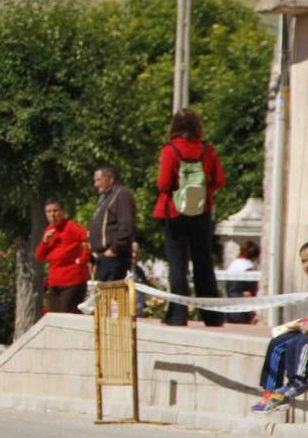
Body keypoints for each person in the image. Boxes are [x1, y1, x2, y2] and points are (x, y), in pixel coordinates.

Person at [154, 108, 227, 327]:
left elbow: (163, 183)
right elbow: (220, 180)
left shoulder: (170, 150)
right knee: (204, 264)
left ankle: (177, 314)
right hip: (201, 211)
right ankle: (212, 315)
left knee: (177, 265)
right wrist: (204, 190)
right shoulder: (207, 150)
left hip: (174, 212)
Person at [252, 242, 308, 412]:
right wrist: (303, 323)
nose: (307, 266)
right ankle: (270, 393)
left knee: (298, 344)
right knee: (277, 343)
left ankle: (295, 383)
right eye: (303, 261)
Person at [34, 198, 91, 314]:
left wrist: (83, 259)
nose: (52, 215)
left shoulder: (71, 226)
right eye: (48, 212)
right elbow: (39, 257)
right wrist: (44, 242)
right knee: (56, 317)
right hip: (55, 282)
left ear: (63, 212)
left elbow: (91, 239)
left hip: (73, 282)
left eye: (55, 211)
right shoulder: (48, 230)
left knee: (67, 316)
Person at [89, 165, 137, 281]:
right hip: (103, 258)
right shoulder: (106, 198)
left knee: (112, 297)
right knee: (102, 297)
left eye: (98, 180)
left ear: (110, 179)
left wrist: (114, 249)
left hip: (114, 258)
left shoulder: (121, 194)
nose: (96, 184)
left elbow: (126, 225)